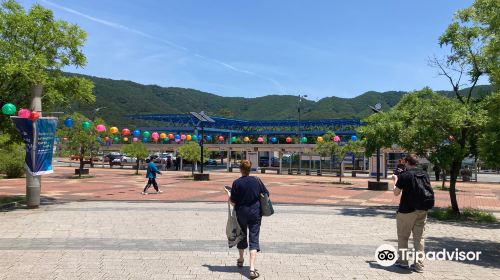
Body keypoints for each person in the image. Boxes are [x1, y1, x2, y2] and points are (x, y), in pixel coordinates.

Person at [224, 160, 269, 279]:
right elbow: (266, 194)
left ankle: (241, 259)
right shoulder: (257, 181)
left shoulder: (236, 183)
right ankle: (252, 269)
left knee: (241, 235)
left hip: (241, 213)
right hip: (255, 213)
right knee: (254, 238)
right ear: (250, 169)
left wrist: (228, 194)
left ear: (240, 169)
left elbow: (233, 201)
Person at [391, 154, 429, 273]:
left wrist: (395, 180)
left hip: (406, 211)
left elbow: (396, 193)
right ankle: (419, 265)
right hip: (422, 210)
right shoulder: (424, 175)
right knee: (419, 238)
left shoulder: (404, 176)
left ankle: (403, 262)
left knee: (403, 237)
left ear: (407, 162)